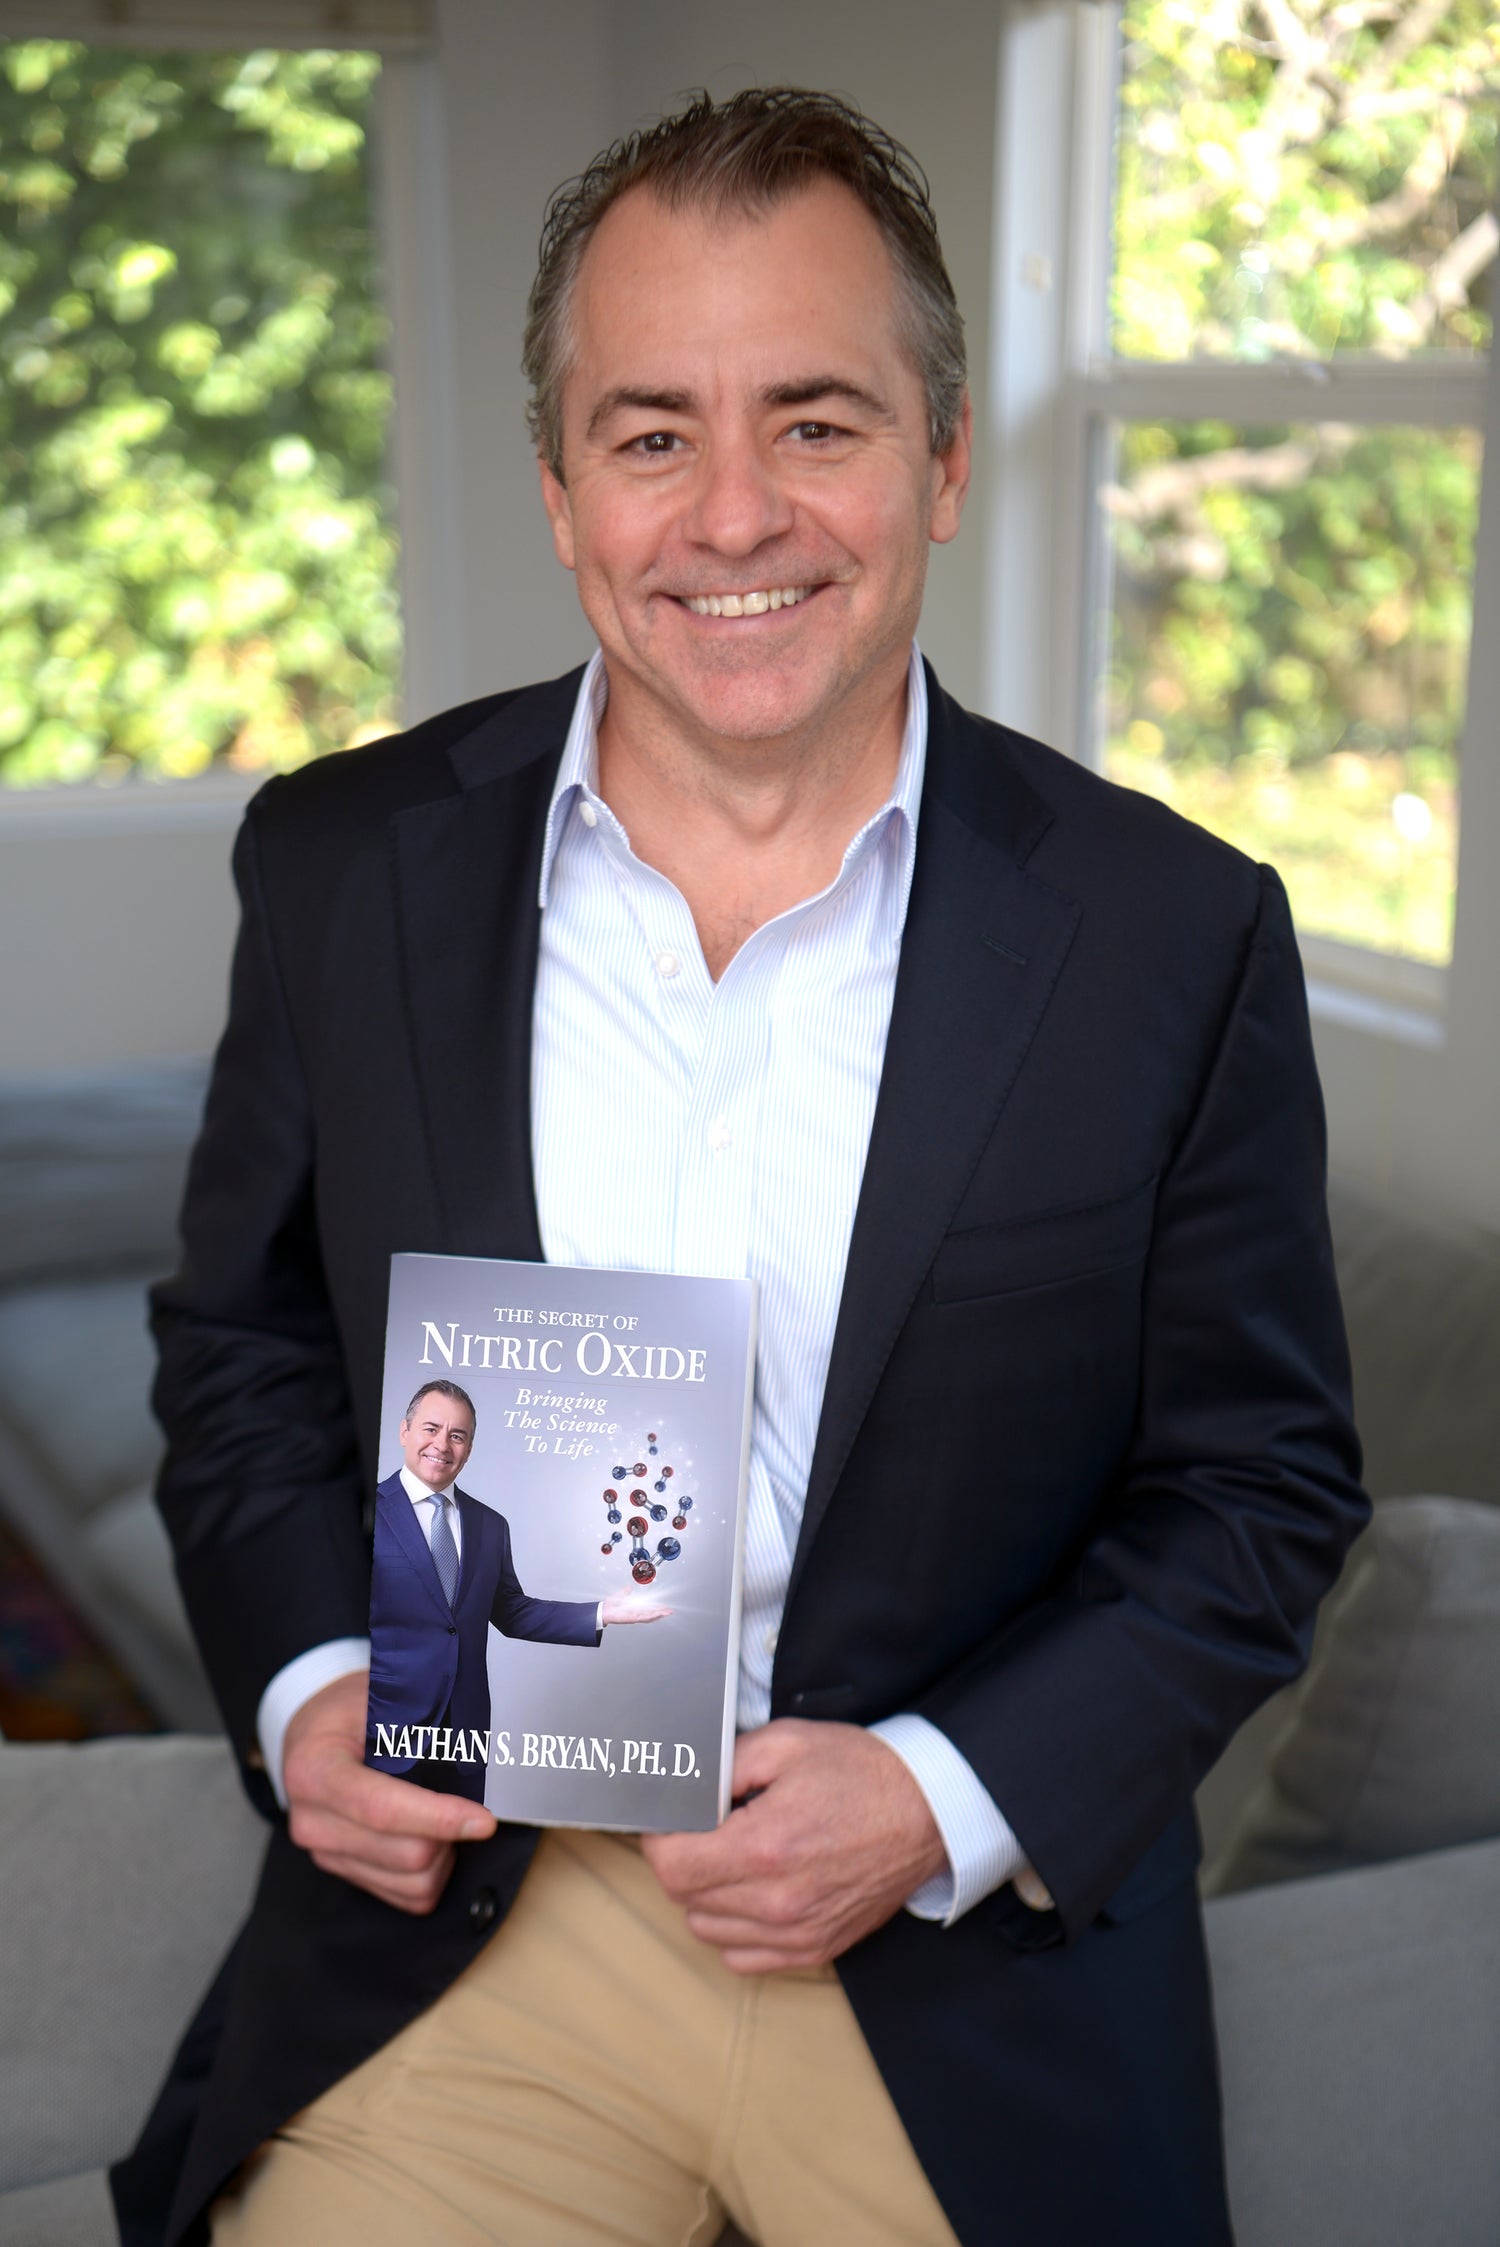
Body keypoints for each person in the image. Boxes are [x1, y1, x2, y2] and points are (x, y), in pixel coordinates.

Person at [123, 87, 1367, 2247]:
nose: (731, 516)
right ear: (561, 489)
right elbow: (240, 1342)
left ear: (944, 458)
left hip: (949, 1960)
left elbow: (1258, 1483)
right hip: (493, 1911)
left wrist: (935, 1798)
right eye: (650, 434)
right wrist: (321, 1686)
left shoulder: (1176, 938)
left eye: (815, 421)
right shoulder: (343, 867)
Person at [367, 1380, 668, 1802]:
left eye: (458, 1435)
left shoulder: (490, 1525)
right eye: (430, 1429)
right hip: (384, 1728)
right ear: (405, 1432)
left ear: (469, 1448)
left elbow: (512, 1612)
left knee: (463, 1852)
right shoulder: (368, 1513)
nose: (443, 1444)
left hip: (463, 1734)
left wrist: (602, 1612)